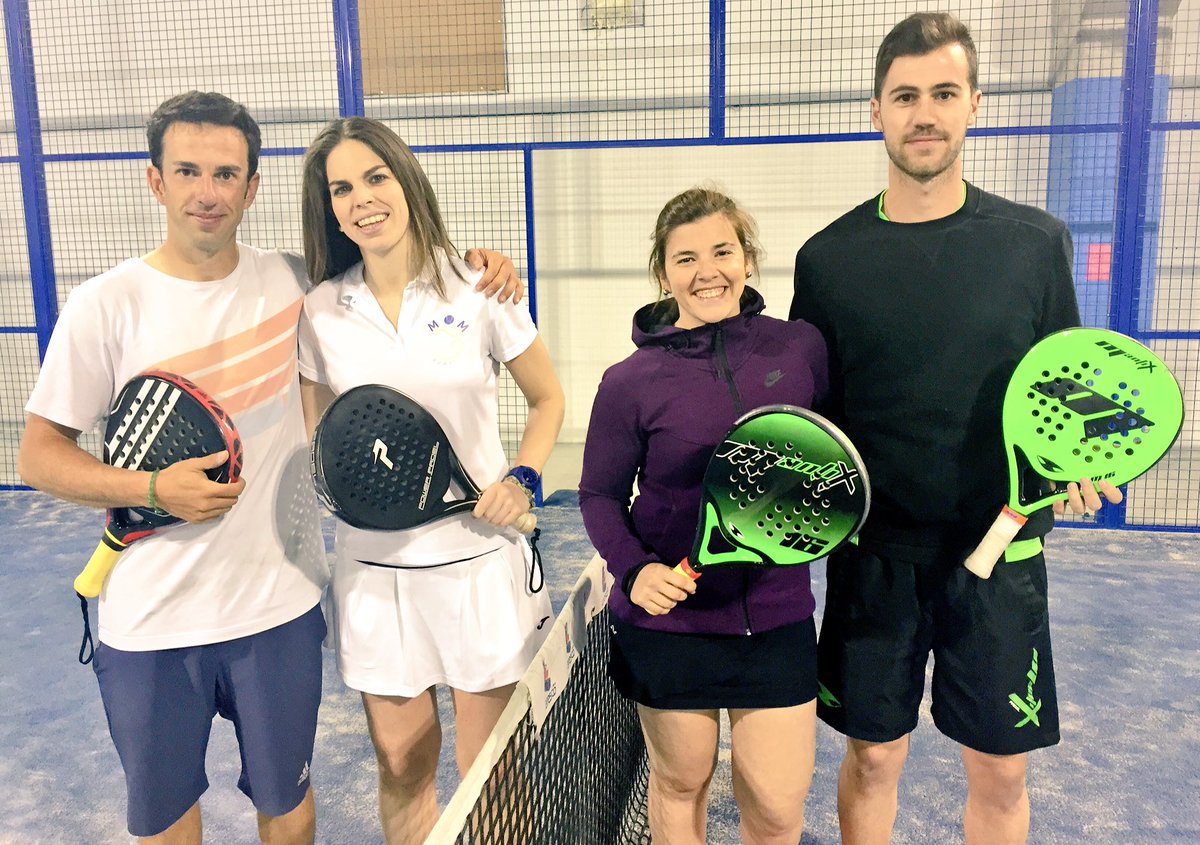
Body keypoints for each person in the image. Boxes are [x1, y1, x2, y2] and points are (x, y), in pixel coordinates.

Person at [16, 91, 522, 844]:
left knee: (288, 813)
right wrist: (152, 489)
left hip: (277, 612)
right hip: (150, 623)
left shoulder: (297, 288)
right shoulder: (104, 307)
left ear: (251, 188)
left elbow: (388, 262)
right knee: (164, 823)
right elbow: (38, 456)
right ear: (155, 181)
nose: (207, 191)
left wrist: (476, 265)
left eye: (227, 174)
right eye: (187, 170)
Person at [788, 13, 1122, 845]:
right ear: (877, 111)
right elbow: (813, 415)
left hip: (1000, 553)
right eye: (905, 96)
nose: (924, 113)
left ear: (975, 104)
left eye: (943, 93)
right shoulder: (827, 259)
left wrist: (1080, 464)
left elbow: (1069, 390)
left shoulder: (1035, 243)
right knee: (871, 760)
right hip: (875, 562)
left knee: (1001, 773)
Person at [295, 116, 565, 845]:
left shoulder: (480, 284)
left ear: (407, 180)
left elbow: (548, 399)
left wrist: (524, 474)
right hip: (374, 577)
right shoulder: (319, 310)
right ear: (330, 206)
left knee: (493, 774)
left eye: (376, 177)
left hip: (479, 565)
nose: (362, 199)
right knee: (403, 764)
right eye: (342, 187)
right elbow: (325, 444)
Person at [579, 187, 829, 845]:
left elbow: (832, 450)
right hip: (671, 619)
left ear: (747, 258)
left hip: (774, 616)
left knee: (776, 809)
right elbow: (599, 495)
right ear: (664, 273)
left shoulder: (799, 349)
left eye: (722, 250)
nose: (707, 270)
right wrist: (635, 572)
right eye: (686, 257)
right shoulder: (629, 380)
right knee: (679, 786)